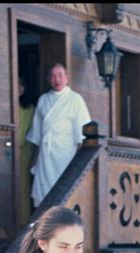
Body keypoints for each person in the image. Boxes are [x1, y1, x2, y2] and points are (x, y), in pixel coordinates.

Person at [26, 63, 91, 208]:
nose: (57, 79)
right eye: (53, 76)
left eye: (60, 75)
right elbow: (37, 132)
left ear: (66, 78)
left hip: (65, 153)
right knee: (43, 192)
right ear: (49, 80)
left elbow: (82, 133)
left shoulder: (75, 99)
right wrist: (34, 158)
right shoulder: (43, 100)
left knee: (64, 193)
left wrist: (78, 160)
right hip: (46, 155)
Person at [18, 76, 35, 225]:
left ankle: (23, 224)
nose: (19, 88)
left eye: (21, 85)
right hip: (9, 150)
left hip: (24, 152)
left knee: (24, 188)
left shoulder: (29, 109)